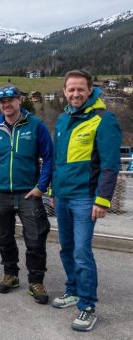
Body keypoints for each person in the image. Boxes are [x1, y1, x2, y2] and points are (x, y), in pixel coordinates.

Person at [51, 70, 122, 332]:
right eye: (71, 89)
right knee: (66, 247)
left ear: (90, 90)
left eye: (81, 89)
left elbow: (111, 164)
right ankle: (72, 290)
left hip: (84, 198)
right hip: (62, 195)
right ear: (65, 92)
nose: (76, 94)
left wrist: (102, 199)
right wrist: (52, 189)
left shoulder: (104, 119)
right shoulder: (62, 119)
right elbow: (60, 160)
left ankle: (88, 305)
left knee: (82, 252)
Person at [0, 85, 53, 304]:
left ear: (20, 100)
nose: (6, 105)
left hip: (28, 193)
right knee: (3, 237)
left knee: (36, 238)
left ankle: (36, 281)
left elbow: (49, 158)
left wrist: (41, 187)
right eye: (2, 102)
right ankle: (11, 274)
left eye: (11, 100)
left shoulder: (35, 126)